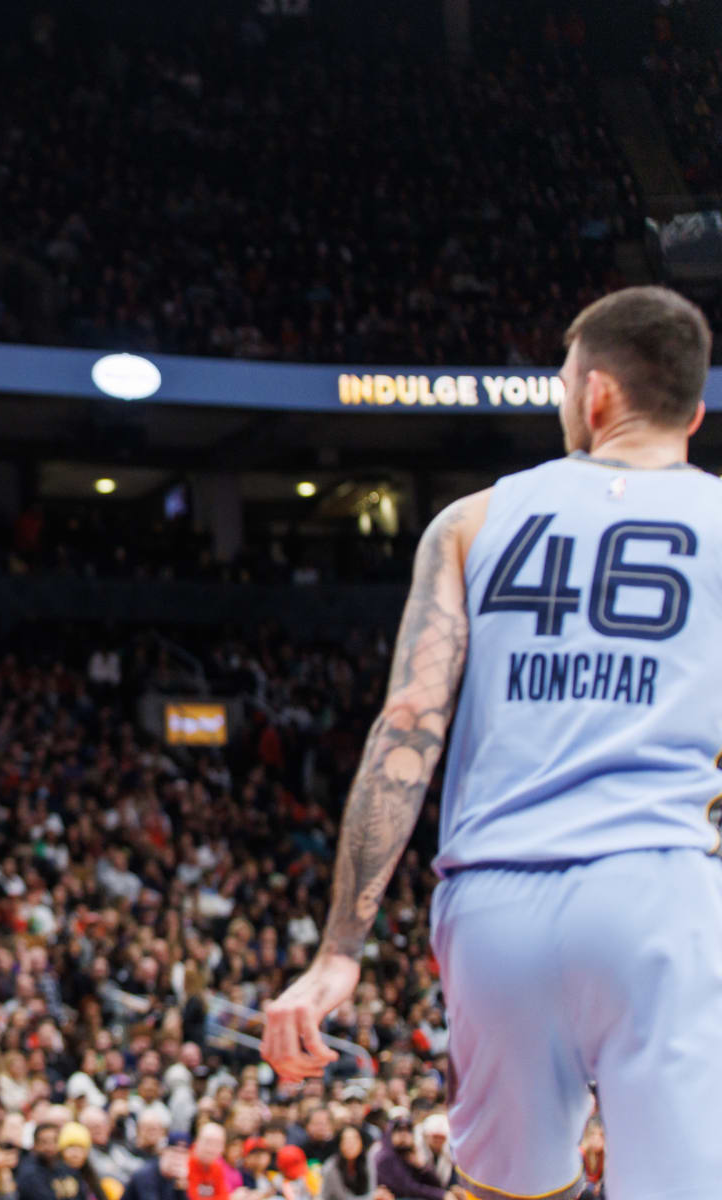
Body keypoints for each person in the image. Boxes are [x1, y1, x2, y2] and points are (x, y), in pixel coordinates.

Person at [263, 284, 722, 1199]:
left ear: (594, 394)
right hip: (659, 892)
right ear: (695, 411)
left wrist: (341, 951)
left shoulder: (471, 521)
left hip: (493, 908)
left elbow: (407, 735)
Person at [316, 1127, 381, 1200]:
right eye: (346, 1141)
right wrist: (373, 1196)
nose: (351, 1145)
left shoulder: (367, 1161)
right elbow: (343, 1198)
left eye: (354, 1140)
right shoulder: (331, 1167)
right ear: (340, 1144)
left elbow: (371, 1189)